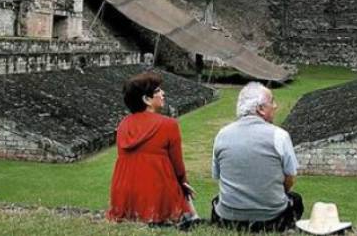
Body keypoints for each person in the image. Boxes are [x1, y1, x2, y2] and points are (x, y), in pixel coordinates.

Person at [211, 81, 304, 232]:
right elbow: (290, 179)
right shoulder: (279, 136)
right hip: (271, 219)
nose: (275, 106)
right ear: (260, 109)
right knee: (296, 200)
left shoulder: (222, 135)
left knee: (216, 200)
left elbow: (218, 175)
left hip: (228, 217)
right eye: (272, 101)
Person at [107, 72, 197, 226]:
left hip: (123, 196)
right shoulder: (168, 125)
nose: (163, 93)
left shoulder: (123, 125)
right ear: (147, 99)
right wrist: (183, 183)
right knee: (183, 193)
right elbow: (178, 167)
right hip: (155, 196)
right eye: (157, 91)